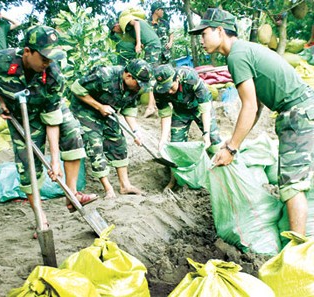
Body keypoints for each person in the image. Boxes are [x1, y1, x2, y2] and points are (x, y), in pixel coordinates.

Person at [189, 8, 314, 235]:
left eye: (204, 33)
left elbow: (250, 106)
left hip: (298, 113)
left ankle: (297, 253)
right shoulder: (244, 50)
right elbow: (257, 105)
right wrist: (234, 140)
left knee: (291, 185)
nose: (201, 40)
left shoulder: (237, 56)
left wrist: (232, 148)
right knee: (299, 179)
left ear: (219, 30)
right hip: (304, 108)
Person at [0, 25, 97, 237]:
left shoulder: (54, 75)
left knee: (73, 132)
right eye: (45, 58)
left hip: (48, 107)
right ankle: (41, 218)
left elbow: (52, 120)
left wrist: (55, 161)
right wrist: (1, 100)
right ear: (27, 52)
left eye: (52, 58)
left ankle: (72, 193)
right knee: (27, 166)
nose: (48, 63)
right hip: (20, 113)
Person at [70, 59, 153, 199]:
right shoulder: (104, 75)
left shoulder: (134, 88)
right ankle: (108, 188)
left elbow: (129, 110)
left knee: (118, 142)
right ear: (128, 76)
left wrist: (135, 132)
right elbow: (76, 88)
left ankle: (125, 185)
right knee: (95, 144)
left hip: (108, 111)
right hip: (85, 110)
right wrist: (99, 106)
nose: (140, 88)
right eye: (139, 83)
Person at [154, 64, 222, 189]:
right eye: (165, 89)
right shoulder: (158, 90)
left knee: (214, 140)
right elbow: (165, 115)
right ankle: (174, 181)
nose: (168, 92)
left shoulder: (191, 78)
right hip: (180, 112)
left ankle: (219, 176)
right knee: (176, 146)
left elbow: (205, 109)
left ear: (177, 79)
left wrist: (206, 134)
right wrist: (163, 140)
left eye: (170, 87)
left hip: (199, 108)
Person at [119, 11, 161, 118]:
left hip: (152, 45)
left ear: (115, 25)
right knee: (150, 72)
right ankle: (153, 105)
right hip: (152, 44)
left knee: (149, 74)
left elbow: (136, 23)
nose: (116, 32)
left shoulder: (125, 20)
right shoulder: (128, 28)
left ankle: (151, 106)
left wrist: (138, 42)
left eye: (113, 30)